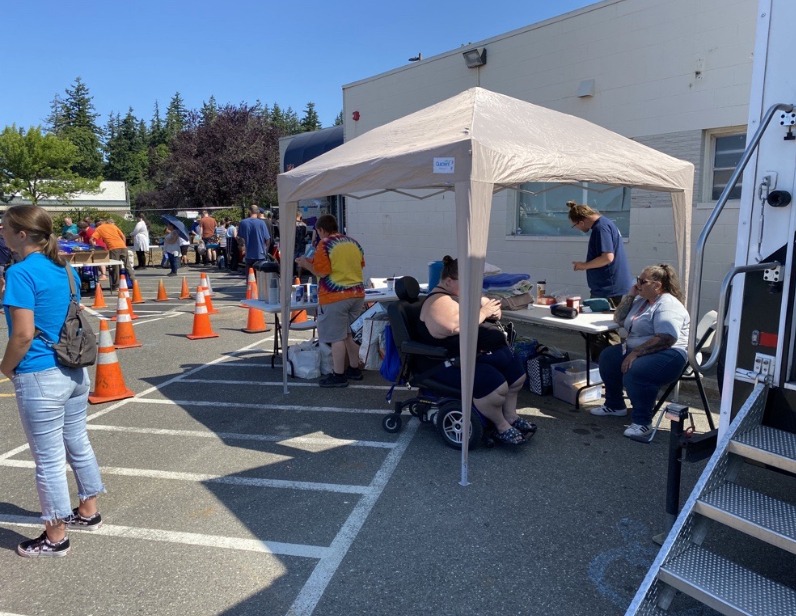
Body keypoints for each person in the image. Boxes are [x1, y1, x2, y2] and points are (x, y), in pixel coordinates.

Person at [0, 205, 105, 557]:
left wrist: (5, 368)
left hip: (40, 374)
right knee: (77, 441)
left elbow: (23, 335)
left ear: (21, 235)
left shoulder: (20, 273)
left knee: (47, 459)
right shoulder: (65, 270)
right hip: (74, 370)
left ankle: (55, 536)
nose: (1, 232)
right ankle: (88, 510)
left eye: (4, 227)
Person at [416, 255, 535, 446]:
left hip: (476, 355)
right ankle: (501, 425)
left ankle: (511, 416)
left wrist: (494, 311)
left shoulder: (460, 295)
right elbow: (454, 326)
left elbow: (487, 306)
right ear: (448, 281)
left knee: (516, 376)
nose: (473, 286)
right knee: (496, 387)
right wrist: (483, 313)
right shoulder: (438, 302)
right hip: (448, 363)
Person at [592, 263, 690, 440]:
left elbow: (667, 337)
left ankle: (643, 423)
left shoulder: (667, 304)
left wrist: (635, 353)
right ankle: (615, 405)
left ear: (657, 285)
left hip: (670, 353)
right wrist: (630, 295)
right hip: (641, 349)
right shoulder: (642, 301)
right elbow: (619, 318)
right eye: (637, 280)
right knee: (608, 357)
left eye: (642, 281)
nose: (637, 284)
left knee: (636, 371)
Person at [295, 214, 365, 388]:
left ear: (321, 230)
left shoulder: (324, 244)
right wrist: (312, 261)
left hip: (335, 296)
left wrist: (305, 264)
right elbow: (357, 264)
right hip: (357, 293)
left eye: (318, 232)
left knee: (336, 337)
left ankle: (339, 374)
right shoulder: (352, 242)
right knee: (350, 334)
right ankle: (354, 369)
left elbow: (322, 272)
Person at [568, 200, 633, 359]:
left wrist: (584, 265)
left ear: (581, 221)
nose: (577, 229)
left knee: (602, 331)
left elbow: (607, 257)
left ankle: (604, 370)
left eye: (575, 226)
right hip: (609, 287)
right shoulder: (606, 224)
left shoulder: (600, 228)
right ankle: (607, 368)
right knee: (606, 330)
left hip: (608, 289)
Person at [91, 218, 134, 289]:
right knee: (127, 265)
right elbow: (123, 236)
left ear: (98, 224)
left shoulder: (99, 228)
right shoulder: (113, 226)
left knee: (115, 267)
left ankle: (116, 285)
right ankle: (134, 281)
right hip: (122, 246)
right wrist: (124, 245)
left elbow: (92, 239)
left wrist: (94, 247)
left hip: (113, 247)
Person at [294, 213, 308, 278]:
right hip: (302, 245)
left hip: (294, 245)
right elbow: (305, 235)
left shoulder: (292, 225)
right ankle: (299, 276)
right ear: (300, 216)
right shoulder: (304, 225)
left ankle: (293, 275)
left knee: (293, 260)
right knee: (300, 261)